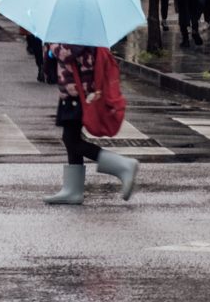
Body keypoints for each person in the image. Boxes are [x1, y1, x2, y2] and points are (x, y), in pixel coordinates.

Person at [44, 42, 143, 204]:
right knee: (70, 139)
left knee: (71, 140)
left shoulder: (80, 37)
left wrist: (52, 46)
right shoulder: (74, 34)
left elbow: (68, 54)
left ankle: (123, 165)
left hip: (79, 94)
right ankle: (73, 189)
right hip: (71, 93)